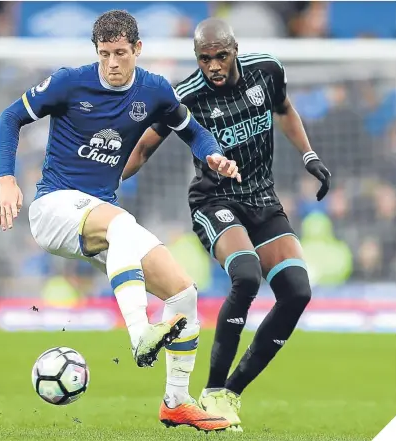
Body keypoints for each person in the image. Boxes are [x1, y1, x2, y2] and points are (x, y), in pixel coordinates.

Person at [0, 10, 242, 432]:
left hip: (103, 220)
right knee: (121, 222)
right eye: (105, 53)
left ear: (137, 50)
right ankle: (139, 333)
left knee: (183, 293)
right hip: (54, 208)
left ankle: (177, 402)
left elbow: (193, 131)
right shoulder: (70, 82)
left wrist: (213, 153)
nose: (112, 62)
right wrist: (5, 179)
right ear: (96, 52)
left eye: (121, 53)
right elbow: (8, 118)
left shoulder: (154, 90)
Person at [124, 18, 331, 431]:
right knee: (247, 275)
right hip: (214, 200)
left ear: (235, 48)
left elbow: (285, 110)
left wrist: (309, 155)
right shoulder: (184, 96)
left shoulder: (267, 71)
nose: (214, 65)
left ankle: (232, 391)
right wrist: (100, 183)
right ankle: (212, 392)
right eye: (205, 58)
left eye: (221, 55)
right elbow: (145, 146)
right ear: (196, 57)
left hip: (262, 198)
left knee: (296, 292)